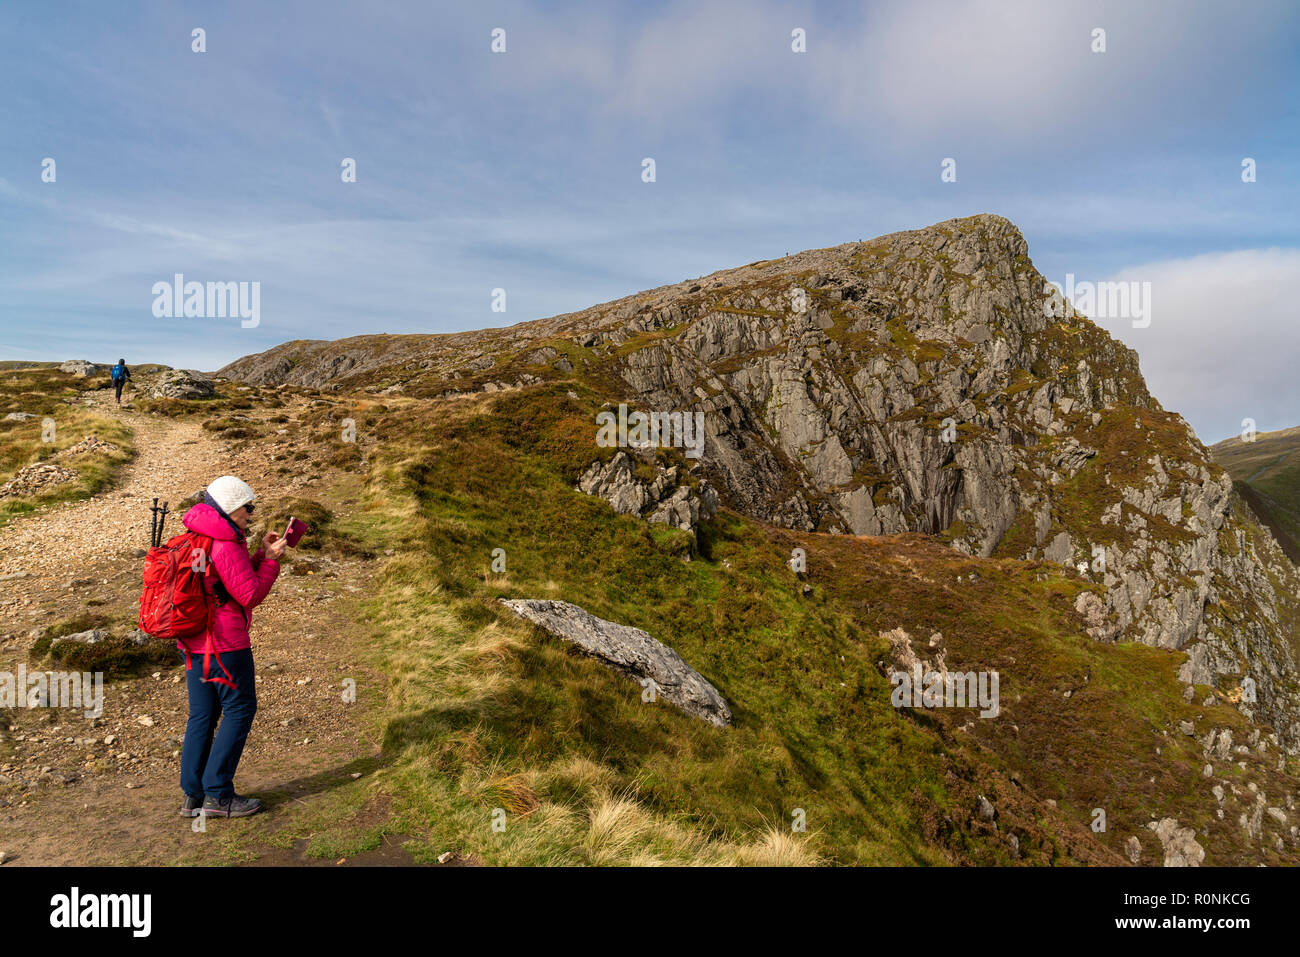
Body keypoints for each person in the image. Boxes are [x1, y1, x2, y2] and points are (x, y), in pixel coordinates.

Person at [176, 475, 286, 819]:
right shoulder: (224, 543)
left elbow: (228, 582)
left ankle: (193, 795)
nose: (251, 515)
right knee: (239, 711)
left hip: (193, 643)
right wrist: (271, 562)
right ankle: (218, 795)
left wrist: (259, 554)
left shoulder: (198, 535)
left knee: (203, 715)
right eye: (247, 508)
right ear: (228, 508)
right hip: (224, 646)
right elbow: (250, 594)